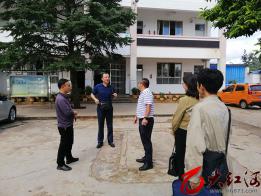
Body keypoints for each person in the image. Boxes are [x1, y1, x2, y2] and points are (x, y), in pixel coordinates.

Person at [184, 69, 229, 191]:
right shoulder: (224, 107)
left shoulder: (199, 109)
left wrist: (193, 177)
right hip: (221, 166)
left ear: (201, 86)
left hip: (206, 167)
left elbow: (195, 146)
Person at [171, 74, 199, 179]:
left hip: (183, 132)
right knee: (193, 155)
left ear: (188, 85)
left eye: (183, 83)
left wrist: (174, 130)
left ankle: (181, 177)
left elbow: (177, 118)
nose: (182, 84)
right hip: (196, 132)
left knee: (180, 155)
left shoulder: (184, 100)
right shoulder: (200, 99)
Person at [55, 79, 79, 171]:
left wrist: (72, 111)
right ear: (63, 86)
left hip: (68, 124)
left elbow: (68, 109)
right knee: (64, 144)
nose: (70, 87)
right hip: (64, 126)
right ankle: (60, 164)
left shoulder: (64, 97)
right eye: (68, 85)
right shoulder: (60, 99)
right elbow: (67, 112)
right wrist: (74, 112)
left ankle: (69, 158)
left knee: (69, 142)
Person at [91, 73, 117, 149]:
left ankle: (110, 141)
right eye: (106, 77)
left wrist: (115, 96)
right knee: (101, 125)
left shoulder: (111, 87)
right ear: (102, 79)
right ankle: (100, 142)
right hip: (100, 108)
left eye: (108, 77)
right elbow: (92, 94)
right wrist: (95, 99)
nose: (107, 78)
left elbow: (113, 96)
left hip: (109, 108)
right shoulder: (98, 86)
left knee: (110, 125)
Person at [134, 78, 155, 171]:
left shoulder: (147, 93)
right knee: (145, 140)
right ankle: (146, 157)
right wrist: (136, 116)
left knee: (146, 141)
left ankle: (149, 163)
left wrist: (145, 118)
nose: (138, 84)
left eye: (139, 83)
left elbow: (148, 106)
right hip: (142, 118)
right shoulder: (143, 92)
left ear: (142, 84)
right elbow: (141, 106)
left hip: (146, 120)